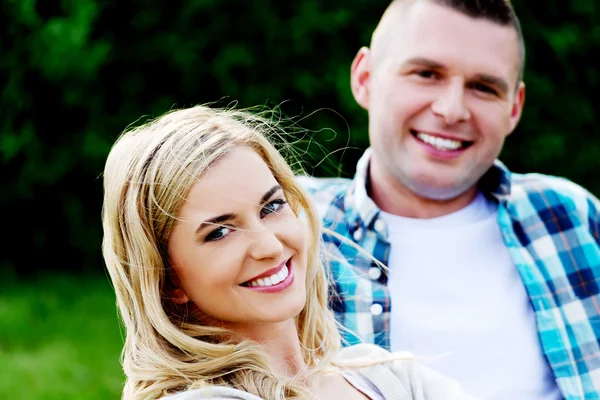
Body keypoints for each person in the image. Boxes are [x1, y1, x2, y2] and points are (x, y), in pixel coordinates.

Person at [298, 0, 600, 399]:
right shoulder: (292, 228)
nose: (452, 109)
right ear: (365, 77)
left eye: (483, 87)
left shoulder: (570, 217)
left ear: (514, 108)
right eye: (426, 74)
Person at [101, 105, 478, 400]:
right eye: (220, 232)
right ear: (167, 280)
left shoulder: (390, 376)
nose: (269, 245)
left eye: (271, 207)